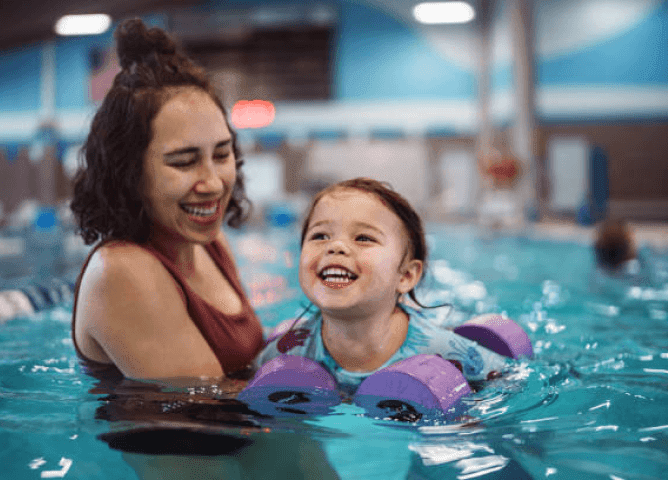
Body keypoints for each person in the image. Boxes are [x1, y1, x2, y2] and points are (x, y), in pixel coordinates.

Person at [70, 18, 264, 380]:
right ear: (128, 173)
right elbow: (208, 413)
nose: (214, 183)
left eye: (221, 155)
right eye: (184, 162)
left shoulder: (210, 244)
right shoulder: (121, 272)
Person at [257, 178, 509, 394]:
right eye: (320, 236)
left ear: (406, 276)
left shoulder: (446, 353)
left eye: (363, 238)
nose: (335, 247)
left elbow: (507, 384)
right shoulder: (287, 352)